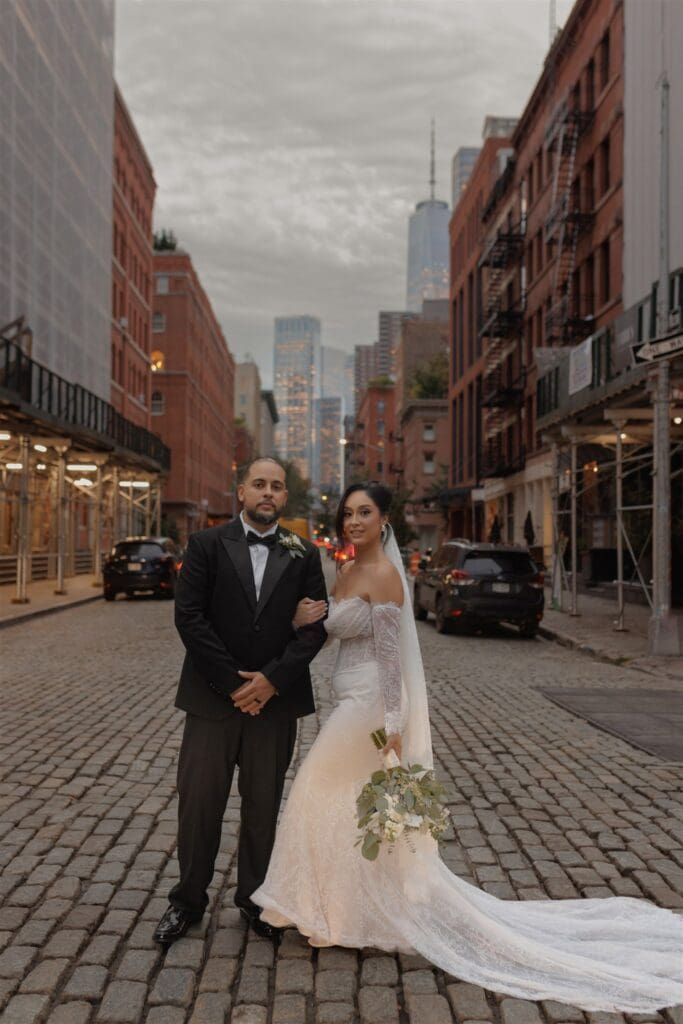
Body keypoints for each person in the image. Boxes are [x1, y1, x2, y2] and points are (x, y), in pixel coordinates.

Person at [252, 481, 683, 1011]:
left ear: (384, 520)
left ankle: (322, 907)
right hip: (346, 698)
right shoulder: (344, 573)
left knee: (313, 787)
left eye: (364, 513)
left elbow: (391, 657)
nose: (354, 521)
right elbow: (332, 632)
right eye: (348, 513)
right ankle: (343, 911)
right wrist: (304, 619)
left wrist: (394, 725)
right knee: (344, 804)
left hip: (369, 708)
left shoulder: (384, 574)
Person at [154, 457, 328, 947]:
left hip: (274, 707)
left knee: (263, 808)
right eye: (259, 484)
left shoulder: (304, 553)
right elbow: (190, 618)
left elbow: (315, 629)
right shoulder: (206, 545)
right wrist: (234, 685)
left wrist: (270, 681)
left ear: (285, 497)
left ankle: (255, 901)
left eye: (276, 486)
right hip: (211, 703)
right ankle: (187, 901)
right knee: (198, 806)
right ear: (242, 492)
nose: (267, 492)